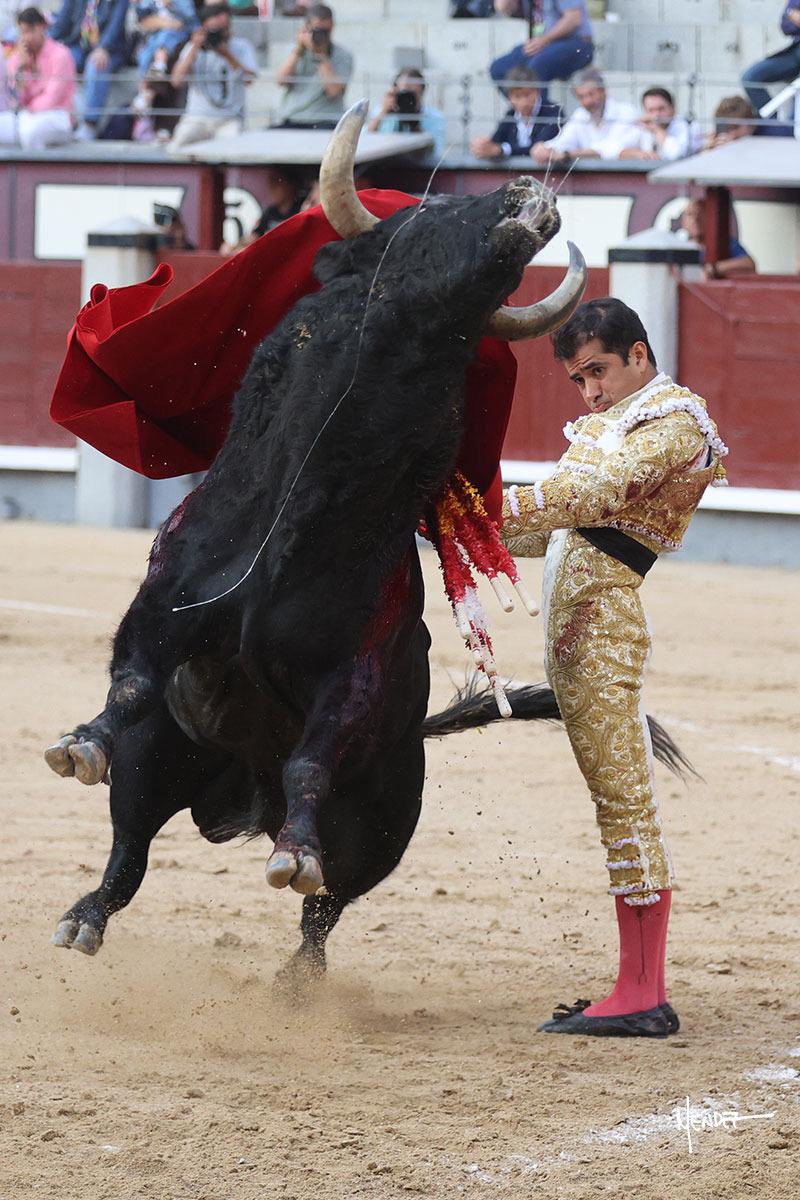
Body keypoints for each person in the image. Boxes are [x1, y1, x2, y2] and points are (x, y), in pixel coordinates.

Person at [501, 297, 728, 1037]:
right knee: (616, 799)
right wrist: (449, 528)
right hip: (580, 631)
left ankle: (642, 994)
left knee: (624, 800)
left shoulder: (676, 421)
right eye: (577, 381)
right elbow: (552, 529)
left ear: (638, 354)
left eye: (597, 371)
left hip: (603, 630)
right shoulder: (616, 425)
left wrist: (477, 509)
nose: (590, 392)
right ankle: (637, 985)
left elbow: (591, 494)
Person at [168, 3, 258, 150]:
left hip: (230, 119)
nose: (218, 35)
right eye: (214, 31)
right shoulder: (194, 48)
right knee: (175, 148)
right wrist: (195, 47)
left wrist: (228, 55)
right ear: (204, 28)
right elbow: (176, 81)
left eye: (222, 30)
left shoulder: (241, 46)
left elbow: (249, 81)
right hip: (197, 118)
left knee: (236, 152)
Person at [49, 0, 129, 139]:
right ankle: (60, 117)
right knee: (62, 60)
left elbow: (115, 26)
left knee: (96, 65)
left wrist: (104, 48)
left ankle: (90, 123)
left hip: (109, 50)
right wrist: (44, 45)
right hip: (78, 45)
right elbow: (61, 23)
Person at [0, 7, 76, 150]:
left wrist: (27, 110)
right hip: (26, 116)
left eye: (30, 31)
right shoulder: (19, 57)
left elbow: (52, 99)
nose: (26, 37)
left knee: (30, 131)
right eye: (23, 32)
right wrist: (21, 68)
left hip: (59, 117)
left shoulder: (61, 54)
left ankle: (31, 172)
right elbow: (15, 100)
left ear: (42, 27)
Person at [531, 68, 639, 164]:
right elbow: (564, 142)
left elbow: (611, 149)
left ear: (604, 91)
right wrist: (544, 148)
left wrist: (568, 155)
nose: (587, 101)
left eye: (591, 94)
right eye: (581, 97)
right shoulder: (580, 115)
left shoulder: (626, 112)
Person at [274, 3, 353, 129]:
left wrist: (320, 55)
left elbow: (334, 91)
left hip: (326, 121)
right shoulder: (294, 51)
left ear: (332, 27)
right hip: (293, 119)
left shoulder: (343, 55)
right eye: (317, 30)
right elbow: (281, 81)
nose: (322, 35)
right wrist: (298, 50)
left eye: (326, 31)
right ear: (307, 28)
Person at [490, 1, 594, 90]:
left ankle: (540, 111)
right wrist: (543, 41)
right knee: (499, 68)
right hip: (544, 45)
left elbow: (574, 19)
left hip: (577, 43)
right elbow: (503, 8)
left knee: (536, 67)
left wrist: (545, 40)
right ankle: (524, 109)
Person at [471, 65, 562, 159]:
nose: (523, 102)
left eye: (527, 95)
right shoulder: (510, 114)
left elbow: (537, 149)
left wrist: (502, 150)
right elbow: (496, 141)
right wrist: (484, 146)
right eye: (517, 96)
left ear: (537, 91)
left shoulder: (554, 112)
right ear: (509, 98)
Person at [220, 167, 307, 253]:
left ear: (290, 186)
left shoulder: (301, 210)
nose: (271, 188)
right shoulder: (270, 212)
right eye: (270, 183)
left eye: (277, 182)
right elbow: (254, 236)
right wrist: (234, 247)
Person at [367, 67, 447, 159]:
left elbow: (435, 153)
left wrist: (414, 123)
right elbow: (364, 141)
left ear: (422, 92)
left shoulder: (435, 117)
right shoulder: (381, 112)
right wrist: (383, 113)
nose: (407, 100)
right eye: (403, 94)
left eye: (411, 95)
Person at [742, 4, 800, 120]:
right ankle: (773, 124)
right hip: (794, 53)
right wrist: (792, 16)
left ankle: (791, 127)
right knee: (750, 77)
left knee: (797, 91)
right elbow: (785, 25)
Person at [679, 198, 756, 279]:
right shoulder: (680, 247)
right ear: (683, 222)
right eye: (690, 215)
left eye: (700, 214)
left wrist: (715, 268)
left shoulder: (723, 242)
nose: (695, 220)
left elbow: (749, 264)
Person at [618, 87, 696, 163]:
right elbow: (618, 152)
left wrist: (657, 130)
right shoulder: (643, 125)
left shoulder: (688, 126)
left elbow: (676, 155)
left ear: (673, 108)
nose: (656, 115)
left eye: (661, 109)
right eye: (651, 110)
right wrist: (639, 154)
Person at [135, 0, 197, 78]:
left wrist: (172, 6)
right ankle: (144, 81)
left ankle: (160, 65)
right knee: (144, 55)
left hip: (179, 32)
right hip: (156, 34)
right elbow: (143, 18)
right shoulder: (149, 2)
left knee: (165, 37)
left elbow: (190, 17)